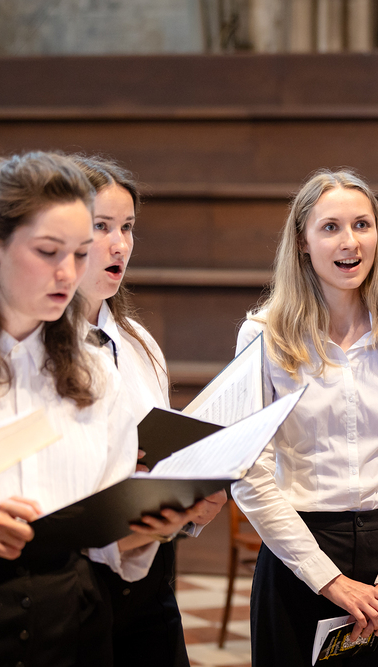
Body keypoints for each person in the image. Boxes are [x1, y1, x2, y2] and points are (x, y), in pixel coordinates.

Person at [0, 151, 189, 667]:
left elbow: (107, 538)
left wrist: (159, 520)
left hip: (72, 620)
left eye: (80, 253)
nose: (67, 273)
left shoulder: (95, 371)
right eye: (48, 252)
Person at [232, 169, 378, 666]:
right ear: (302, 242)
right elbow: (248, 473)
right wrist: (328, 579)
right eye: (330, 227)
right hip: (300, 555)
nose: (350, 242)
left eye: (362, 225)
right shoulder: (262, 334)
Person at [72, 154, 227, 667]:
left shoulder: (139, 342)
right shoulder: (37, 347)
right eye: (102, 226)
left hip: (149, 584)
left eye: (128, 227)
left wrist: (194, 502)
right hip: (76, 582)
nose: (119, 244)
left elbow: (160, 458)